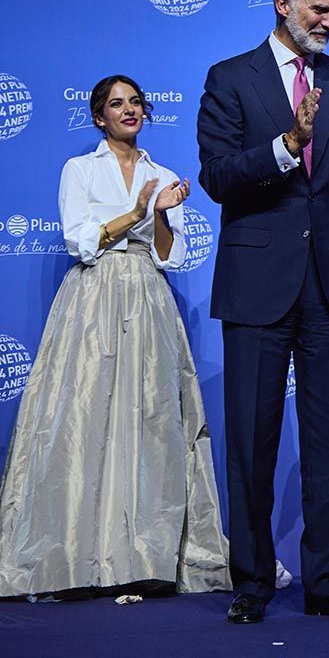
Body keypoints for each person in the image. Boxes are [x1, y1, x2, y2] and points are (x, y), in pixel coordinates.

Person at [197, 0, 329, 624]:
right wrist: (289, 141)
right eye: (320, 8)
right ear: (283, 5)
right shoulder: (230, 79)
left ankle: (326, 582)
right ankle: (251, 583)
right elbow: (219, 177)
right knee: (251, 440)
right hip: (256, 282)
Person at [0, 75, 229, 599]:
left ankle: (145, 557)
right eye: (116, 104)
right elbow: (80, 239)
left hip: (148, 295)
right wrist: (138, 211)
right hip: (93, 297)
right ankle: (71, 558)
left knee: (150, 420)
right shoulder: (80, 169)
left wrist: (164, 214)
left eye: (135, 102)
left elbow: (169, 254)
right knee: (83, 418)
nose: (129, 110)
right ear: (98, 117)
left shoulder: (162, 173)